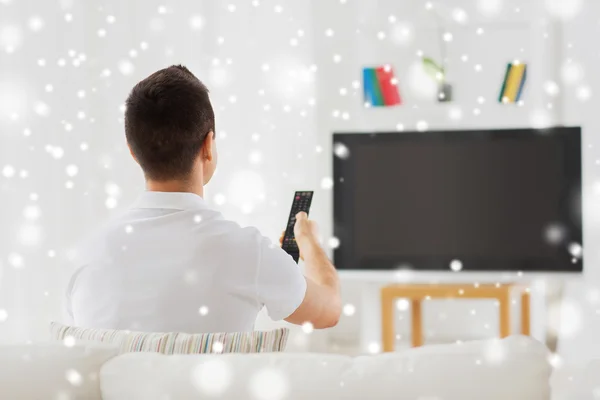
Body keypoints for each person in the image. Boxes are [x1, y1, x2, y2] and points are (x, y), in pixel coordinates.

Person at [64, 65, 341, 333]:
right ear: (208, 145)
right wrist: (308, 242)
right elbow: (329, 310)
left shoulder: (87, 255)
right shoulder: (248, 252)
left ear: (133, 152)